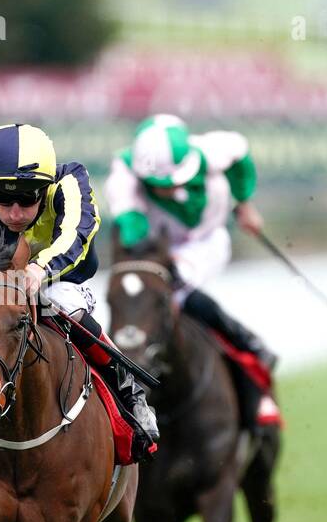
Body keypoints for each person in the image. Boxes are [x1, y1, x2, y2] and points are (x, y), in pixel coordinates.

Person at [0, 122, 159, 463]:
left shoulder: (70, 181)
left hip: (62, 277)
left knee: (65, 304)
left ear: (44, 189)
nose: (14, 212)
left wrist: (41, 270)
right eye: (4, 198)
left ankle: (130, 394)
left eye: (26, 199)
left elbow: (78, 231)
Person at [105, 113, 280, 433]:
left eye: (178, 180)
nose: (174, 188)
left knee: (180, 293)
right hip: (158, 251)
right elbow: (133, 233)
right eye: (163, 185)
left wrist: (245, 204)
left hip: (206, 243)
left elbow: (240, 154)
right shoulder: (123, 180)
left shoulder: (213, 150)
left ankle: (250, 352)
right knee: (139, 299)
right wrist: (154, 254)